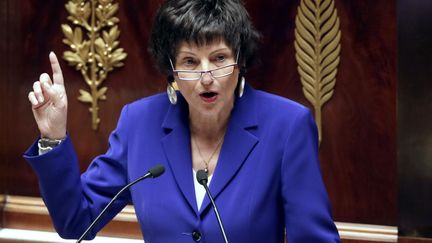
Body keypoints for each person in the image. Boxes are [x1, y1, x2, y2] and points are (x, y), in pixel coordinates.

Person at [24, 0, 341, 242]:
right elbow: (77, 221)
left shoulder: (287, 127)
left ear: (240, 60)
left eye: (219, 58)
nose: (206, 77)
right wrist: (53, 135)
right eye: (190, 61)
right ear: (172, 70)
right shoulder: (139, 123)